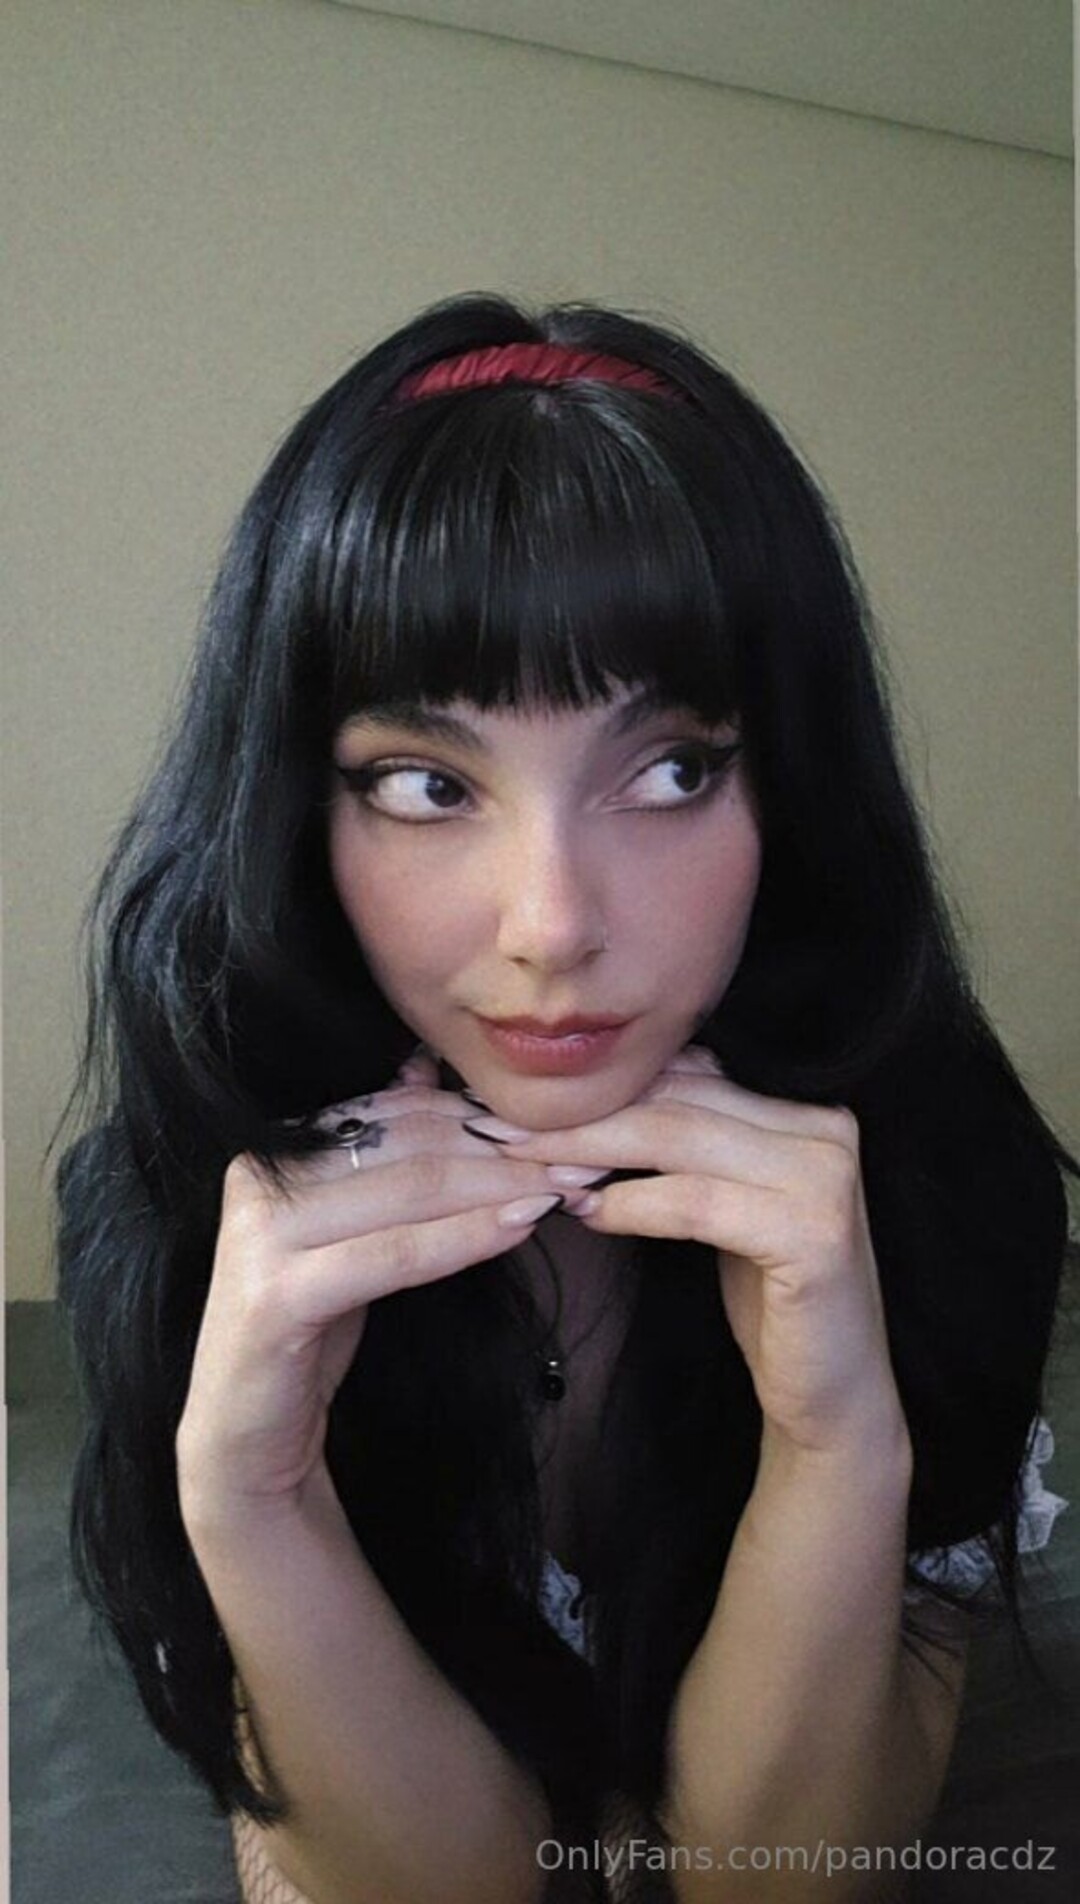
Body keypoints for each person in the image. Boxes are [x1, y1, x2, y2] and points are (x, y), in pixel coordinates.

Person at [54, 292, 1074, 1904]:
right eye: (425, 784)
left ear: (792, 784)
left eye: (673, 770)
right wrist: (256, 1499)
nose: (552, 926)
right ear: (299, 809)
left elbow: (779, 1883)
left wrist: (835, 1441)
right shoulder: (185, 1193)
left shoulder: (944, 1168)